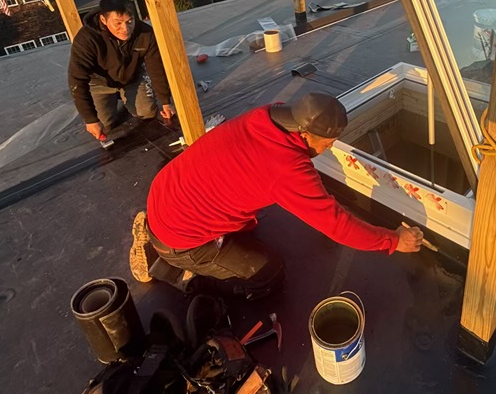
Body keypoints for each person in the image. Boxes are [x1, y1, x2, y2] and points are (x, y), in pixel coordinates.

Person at [130, 92, 424, 297]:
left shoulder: (269, 114)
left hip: (166, 193)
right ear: (306, 134)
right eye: (329, 142)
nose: (330, 149)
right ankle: (169, 267)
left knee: (250, 226)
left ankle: (153, 226)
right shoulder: (287, 169)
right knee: (268, 274)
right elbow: (337, 225)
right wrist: (394, 240)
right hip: (181, 238)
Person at [68, 0, 175, 140]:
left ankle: (126, 95)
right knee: (105, 125)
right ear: (103, 20)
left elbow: (156, 68)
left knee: (148, 113)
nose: (125, 29)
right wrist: (90, 119)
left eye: (129, 21)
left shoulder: (145, 34)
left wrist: (165, 101)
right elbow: (76, 79)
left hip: (132, 78)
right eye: (118, 23)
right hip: (100, 83)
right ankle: (115, 98)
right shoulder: (86, 39)